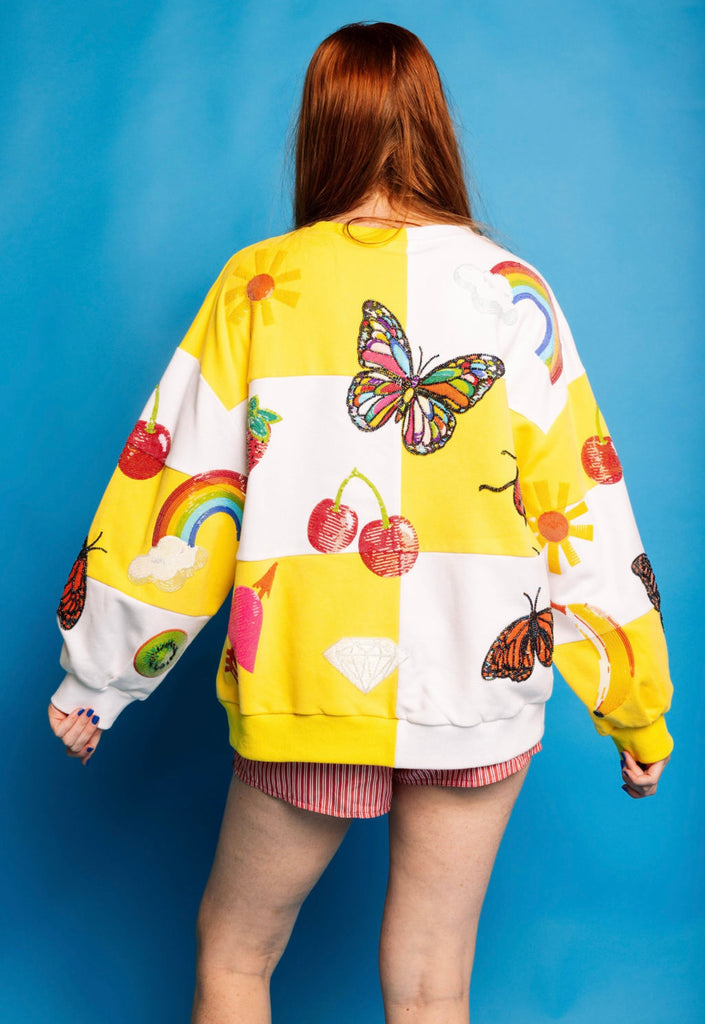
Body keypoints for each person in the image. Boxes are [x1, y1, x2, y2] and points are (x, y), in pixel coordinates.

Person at [47, 21, 673, 1024]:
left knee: (237, 952)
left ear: (320, 128)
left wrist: (100, 675)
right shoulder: (514, 293)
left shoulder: (258, 286)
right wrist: (634, 704)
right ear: (434, 125)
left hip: (309, 676)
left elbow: (179, 485)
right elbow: (583, 508)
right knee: (433, 982)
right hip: (477, 681)